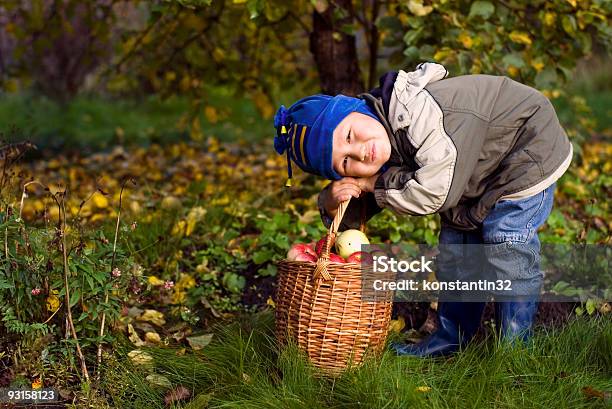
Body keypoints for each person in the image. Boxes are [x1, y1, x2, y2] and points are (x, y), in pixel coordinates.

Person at [272, 62, 572, 357]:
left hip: (525, 149)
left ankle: (516, 348)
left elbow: (434, 192)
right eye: (346, 163)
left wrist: (369, 183)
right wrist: (333, 200)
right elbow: (377, 187)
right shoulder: (380, 133)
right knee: (457, 251)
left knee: (506, 240)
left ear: (356, 108)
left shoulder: (416, 115)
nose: (360, 151)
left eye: (349, 136)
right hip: (475, 171)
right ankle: (452, 337)